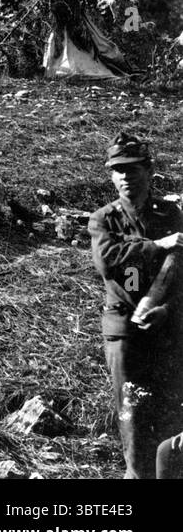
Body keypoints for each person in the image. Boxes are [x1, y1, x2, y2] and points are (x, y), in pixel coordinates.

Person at [89, 132, 183, 478]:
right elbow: (111, 262)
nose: (125, 176)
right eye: (118, 170)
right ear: (111, 175)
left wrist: (168, 310)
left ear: (149, 170)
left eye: (133, 169)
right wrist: (157, 246)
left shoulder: (169, 213)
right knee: (134, 418)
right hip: (126, 333)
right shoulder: (104, 219)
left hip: (167, 329)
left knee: (171, 414)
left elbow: (180, 272)